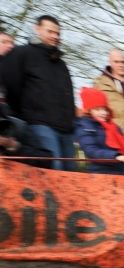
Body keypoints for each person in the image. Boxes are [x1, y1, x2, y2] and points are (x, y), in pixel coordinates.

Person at [1, 16, 76, 170]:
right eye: (50, 31)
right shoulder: (22, 53)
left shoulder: (61, 63)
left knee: (71, 173)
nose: (55, 36)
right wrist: (21, 114)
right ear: (37, 29)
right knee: (53, 169)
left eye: (58, 33)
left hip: (66, 129)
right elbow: (10, 84)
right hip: (40, 124)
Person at [75, 87, 124, 176]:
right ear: (89, 111)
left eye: (104, 109)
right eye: (97, 109)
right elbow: (91, 151)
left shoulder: (115, 127)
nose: (103, 113)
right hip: (102, 173)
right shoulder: (84, 127)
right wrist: (115, 156)